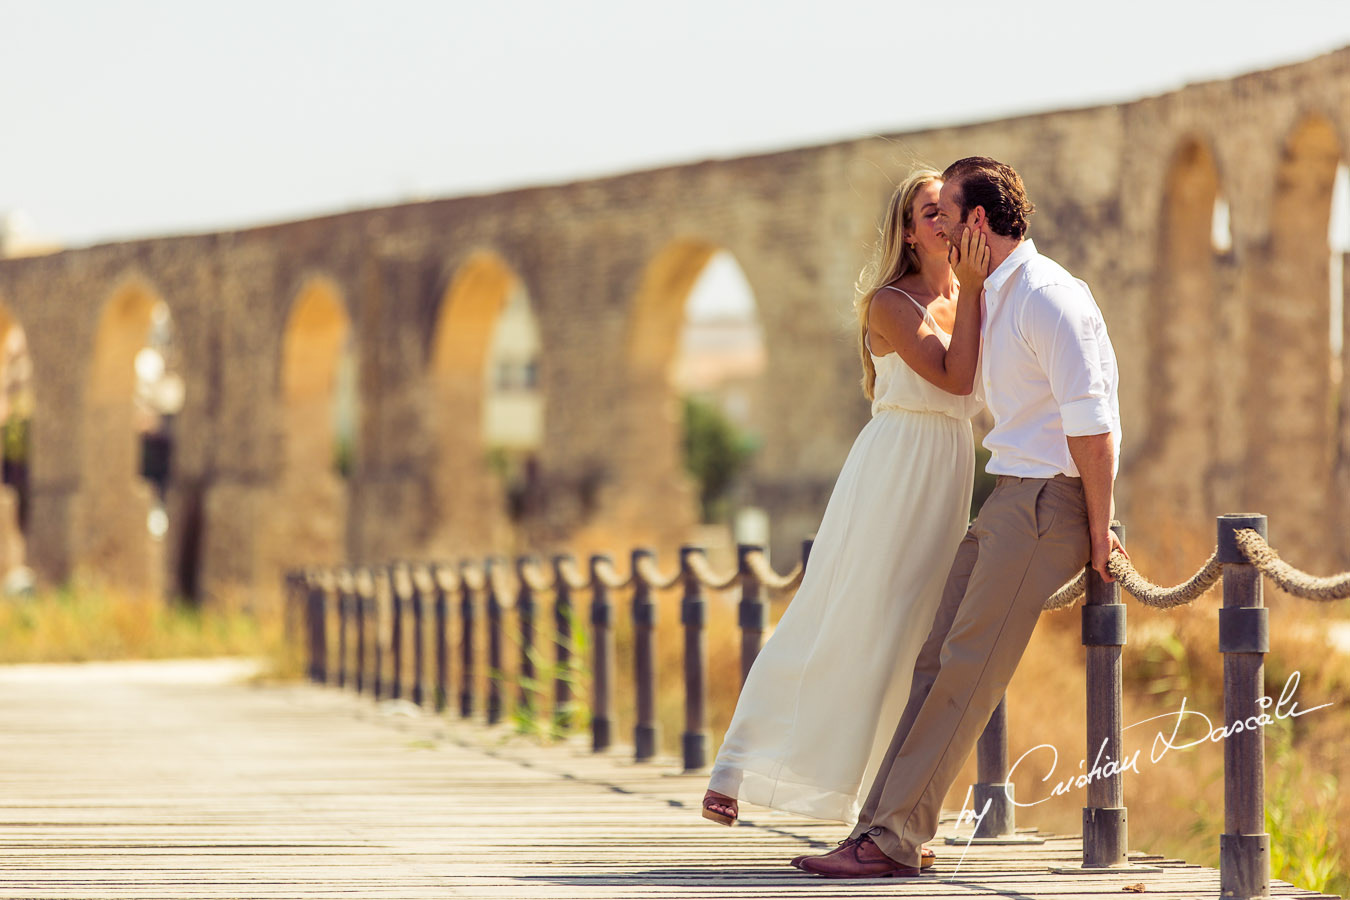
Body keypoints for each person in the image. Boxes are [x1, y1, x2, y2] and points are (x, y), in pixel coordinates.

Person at [796, 156, 1125, 879]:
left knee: (966, 671)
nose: (935, 221)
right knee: (934, 661)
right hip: (1009, 495)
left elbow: (1093, 426)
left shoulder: (1045, 296)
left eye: (944, 209)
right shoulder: (994, 294)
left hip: (1048, 503)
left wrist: (1101, 530)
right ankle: (879, 828)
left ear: (978, 221)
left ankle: (890, 840)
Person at [700, 169, 989, 872]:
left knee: (919, 641)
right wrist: (979, 292)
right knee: (843, 618)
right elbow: (952, 378)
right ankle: (734, 768)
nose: (945, 223)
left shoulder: (973, 298)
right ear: (908, 231)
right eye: (931, 212)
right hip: (894, 470)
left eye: (950, 209)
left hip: (948, 473)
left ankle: (895, 819)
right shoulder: (889, 303)